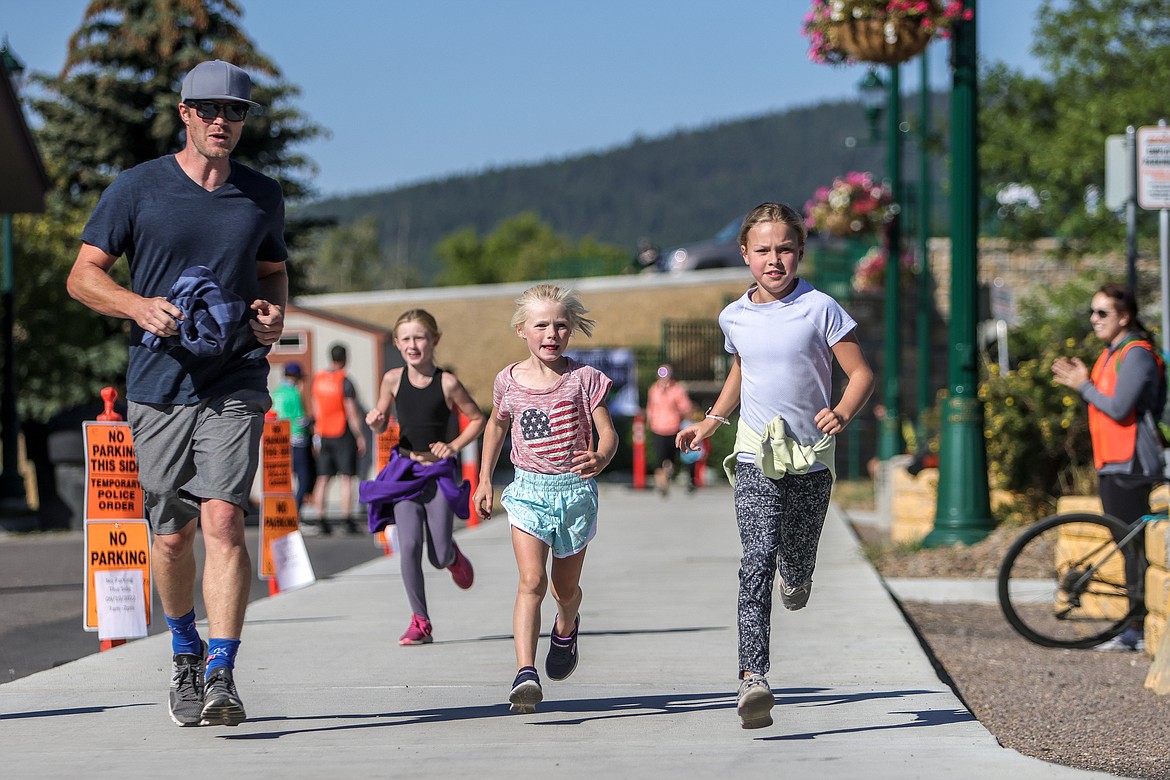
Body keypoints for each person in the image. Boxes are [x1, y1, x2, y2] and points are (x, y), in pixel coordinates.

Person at [65, 59, 287, 727]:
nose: (224, 121)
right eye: (211, 109)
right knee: (171, 536)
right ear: (184, 112)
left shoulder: (261, 195)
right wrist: (136, 307)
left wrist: (274, 319)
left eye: (237, 111)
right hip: (159, 384)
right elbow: (82, 277)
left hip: (234, 377)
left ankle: (222, 669)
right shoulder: (137, 190)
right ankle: (185, 649)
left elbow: (273, 274)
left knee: (223, 517)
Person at [677, 202, 874, 730]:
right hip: (754, 452)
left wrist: (842, 412)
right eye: (762, 249)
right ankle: (753, 677)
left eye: (784, 248)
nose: (774, 259)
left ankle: (800, 573)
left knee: (797, 555)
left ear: (800, 252)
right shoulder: (733, 316)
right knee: (757, 556)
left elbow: (860, 374)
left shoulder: (821, 308)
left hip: (811, 454)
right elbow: (743, 369)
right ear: (745, 254)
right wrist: (711, 421)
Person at [473, 283, 618, 714]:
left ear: (570, 331)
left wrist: (602, 455)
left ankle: (567, 625)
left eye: (560, 325)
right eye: (541, 325)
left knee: (564, 589)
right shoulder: (508, 380)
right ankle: (525, 673)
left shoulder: (584, 379)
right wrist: (484, 480)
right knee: (532, 581)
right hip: (529, 491)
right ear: (522, 330)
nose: (551, 333)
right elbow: (496, 427)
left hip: (574, 493)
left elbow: (607, 430)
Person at [1052, 283, 1166, 653]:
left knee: (1134, 549)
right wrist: (1085, 382)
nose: (1094, 319)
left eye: (1102, 313)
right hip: (1113, 463)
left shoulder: (1136, 354)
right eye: (1092, 312)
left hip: (1134, 465)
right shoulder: (1111, 353)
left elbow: (1118, 408)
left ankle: (1134, 628)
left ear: (1125, 316)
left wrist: (1083, 385)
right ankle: (1133, 625)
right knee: (1126, 546)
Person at [360, 310, 485, 645]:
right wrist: (375, 422)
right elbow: (382, 421)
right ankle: (420, 621)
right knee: (410, 545)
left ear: (434, 341)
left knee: (438, 553)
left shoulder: (447, 383)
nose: (412, 345)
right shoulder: (392, 379)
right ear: (397, 343)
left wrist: (453, 446)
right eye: (405, 339)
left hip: (438, 472)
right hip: (405, 471)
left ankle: (453, 557)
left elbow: (477, 419)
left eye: (419, 338)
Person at [310, 343, 367, 534]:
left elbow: (316, 407)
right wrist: (360, 436)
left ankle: (320, 518)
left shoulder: (319, 379)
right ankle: (346, 519)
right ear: (345, 358)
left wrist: (317, 433)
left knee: (323, 478)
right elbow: (351, 411)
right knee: (346, 478)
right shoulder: (345, 381)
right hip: (342, 433)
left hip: (324, 432)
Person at [271, 362, 315, 510]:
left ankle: (285, 513)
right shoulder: (294, 394)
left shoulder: (276, 393)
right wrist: (311, 421)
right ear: (296, 377)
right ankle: (295, 513)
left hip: (279, 441)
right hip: (297, 440)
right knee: (303, 478)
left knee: (284, 479)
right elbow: (300, 420)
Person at [646, 363, 694, 496]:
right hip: (657, 428)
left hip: (673, 428)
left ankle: (671, 473)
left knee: (672, 458)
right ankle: (662, 485)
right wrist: (649, 422)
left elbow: (686, 407)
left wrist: (687, 420)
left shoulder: (677, 390)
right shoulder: (654, 390)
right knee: (659, 458)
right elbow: (650, 407)